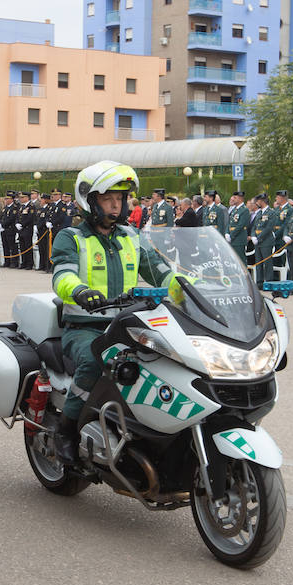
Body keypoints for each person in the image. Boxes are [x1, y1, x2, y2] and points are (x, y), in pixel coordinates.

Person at [50, 161, 183, 464]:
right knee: (95, 363)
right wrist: (80, 292)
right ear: (89, 201)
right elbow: (62, 276)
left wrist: (190, 289)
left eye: (120, 199)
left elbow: (161, 272)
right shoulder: (71, 237)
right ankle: (66, 430)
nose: (115, 205)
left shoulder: (131, 237)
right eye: (108, 198)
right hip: (85, 327)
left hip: (128, 324)